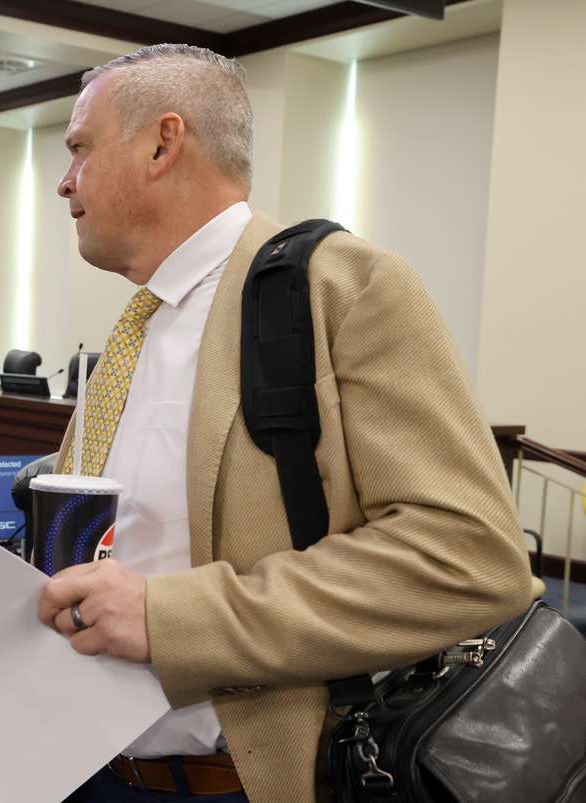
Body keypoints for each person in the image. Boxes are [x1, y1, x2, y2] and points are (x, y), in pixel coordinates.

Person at [37, 44, 532, 803]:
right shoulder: (136, 328)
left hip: (243, 782)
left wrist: (172, 618)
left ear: (163, 143)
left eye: (79, 149)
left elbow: (467, 556)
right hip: (84, 766)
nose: (65, 182)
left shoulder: (344, 289)